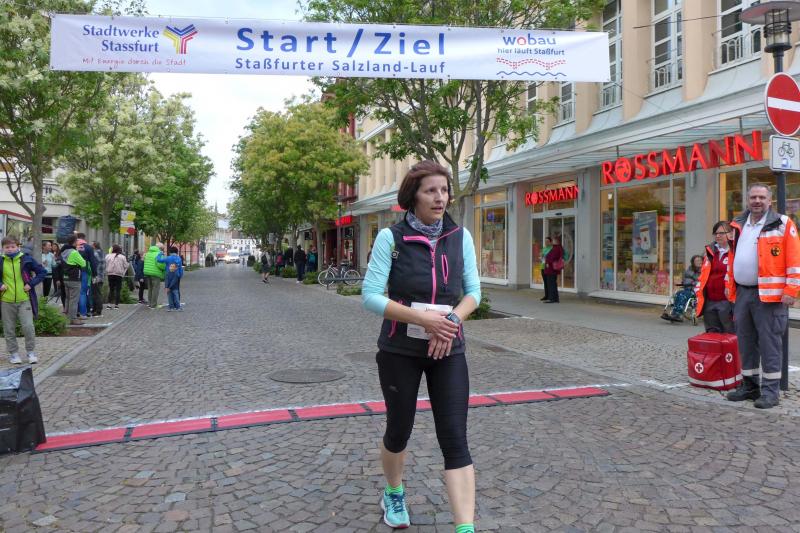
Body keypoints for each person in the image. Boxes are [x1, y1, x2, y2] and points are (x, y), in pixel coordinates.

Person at [361, 160, 481, 533]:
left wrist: (450, 322)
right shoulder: (391, 238)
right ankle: (394, 491)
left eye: (444, 190)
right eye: (431, 190)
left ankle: (465, 528)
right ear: (413, 196)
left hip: (448, 349)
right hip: (401, 351)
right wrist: (422, 319)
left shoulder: (460, 237)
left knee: (455, 438)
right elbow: (370, 296)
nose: (440, 197)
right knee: (399, 430)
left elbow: (474, 293)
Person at [726, 183, 800, 409]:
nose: (757, 201)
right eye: (753, 197)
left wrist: (791, 290)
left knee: (770, 344)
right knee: (746, 342)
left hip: (770, 297)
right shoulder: (738, 224)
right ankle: (750, 386)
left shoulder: (783, 223)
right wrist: (729, 285)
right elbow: (732, 257)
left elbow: (795, 260)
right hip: (743, 293)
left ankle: (770, 392)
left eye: (761, 197)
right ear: (747, 200)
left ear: (770, 200)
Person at [0, 235, 47, 364]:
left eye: (12, 246)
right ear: (3, 248)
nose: (10, 249)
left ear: (18, 246)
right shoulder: (1, 261)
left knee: (28, 327)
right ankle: (14, 354)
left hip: (24, 299)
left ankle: (30, 352)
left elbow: (42, 272)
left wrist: (31, 284)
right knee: (9, 329)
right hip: (6, 301)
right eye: (7, 247)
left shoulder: (26, 259)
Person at [695, 222, 735, 333]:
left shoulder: (736, 252)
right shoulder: (710, 252)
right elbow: (704, 274)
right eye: (716, 233)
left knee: (730, 334)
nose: (718, 236)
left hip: (727, 302)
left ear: (731, 234)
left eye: (721, 233)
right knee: (711, 334)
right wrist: (698, 291)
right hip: (710, 301)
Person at [663, 255, 703, 322]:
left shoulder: (704, 271)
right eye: (696, 261)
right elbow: (686, 280)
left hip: (697, 291)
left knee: (683, 295)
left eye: (700, 260)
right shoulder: (689, 270)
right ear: (693, 262)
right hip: (688, 288)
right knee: (678, 293)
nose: (699, 262)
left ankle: (678, 314)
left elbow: (702, 281)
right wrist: (687, 283)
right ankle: (674, 313)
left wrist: (694, 283)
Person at [61, 235, 86, 325]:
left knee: (68, 298)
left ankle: (67, 317)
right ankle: (73, 318)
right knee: (74, 300)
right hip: (74, 278)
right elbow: (83, 263)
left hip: (65, 277)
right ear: (74, 242)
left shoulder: (64, 251)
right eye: (77, 241)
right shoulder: (74, 252)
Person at [159, 246, 184, 311]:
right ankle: (177, 306)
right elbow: (181, 268)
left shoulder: (168, 258)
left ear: (170, 252)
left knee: (169, 292)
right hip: (176, 277)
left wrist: (160, 254)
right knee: (176, 292)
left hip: (168, 276)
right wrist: (180, 275)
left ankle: (171, 307)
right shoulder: (179, 258)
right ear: (177, 252)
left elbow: (159, 260)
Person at [105, 245, 129, 310]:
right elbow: (126, 266)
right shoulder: (122, 257)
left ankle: (109, 304)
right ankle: (116, 305)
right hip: (119, 274)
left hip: (110, 274)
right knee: (118, 290)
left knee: (111, 289)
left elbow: (105, 264)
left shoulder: (108, 256)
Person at [143, 243, 166, 309]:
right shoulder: (159, 254)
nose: (162, 250)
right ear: (160, 248)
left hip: (147, 272)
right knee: (155, 289)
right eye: (162, 249)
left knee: (150, 288)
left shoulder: (148, 253)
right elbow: (160, 265)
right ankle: (153, 305)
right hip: (155, 273)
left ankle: (149, 303)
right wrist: (164, 267)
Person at [542, 235, 563, 303]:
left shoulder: (556, 248)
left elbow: (553, 257)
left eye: (553, 240)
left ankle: (552, 298)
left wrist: (548, 262)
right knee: (552, 283)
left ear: (557, 241)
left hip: (551, 269)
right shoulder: (556, 248)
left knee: (551, 284)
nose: (552, 241)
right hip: (551, 269)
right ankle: (555, 298)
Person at [91, 242, 106, 317]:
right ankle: (96, 309)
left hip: (96, 276)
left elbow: (93, 264)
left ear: (94, 246)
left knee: (96, 293)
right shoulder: (102, 253)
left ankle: (97, 310)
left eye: (91, 245)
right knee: (98, 293)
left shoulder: (95, 253)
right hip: (101, 276)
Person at [51, 243, 66, 312]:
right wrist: (57, 279)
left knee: (66, 294)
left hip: (67, 278)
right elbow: (55, 269)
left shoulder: (68, 257)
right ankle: (64, 307)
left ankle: (67, 307)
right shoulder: (59, 258)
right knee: (63, 293)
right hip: (61, 278)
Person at [539, 237, 552, 301]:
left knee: (549, 282)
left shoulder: (551, 249)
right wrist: (541, 257)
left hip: (548, 267)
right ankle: (546, 295)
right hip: (543, 266)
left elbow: (551, 257)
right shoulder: (544, 248)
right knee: (545, 282)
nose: (546, 243)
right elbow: (541, 257)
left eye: (547, 241)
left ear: (550, 242)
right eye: (545, 241)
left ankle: (550, 296)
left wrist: (545, 256)